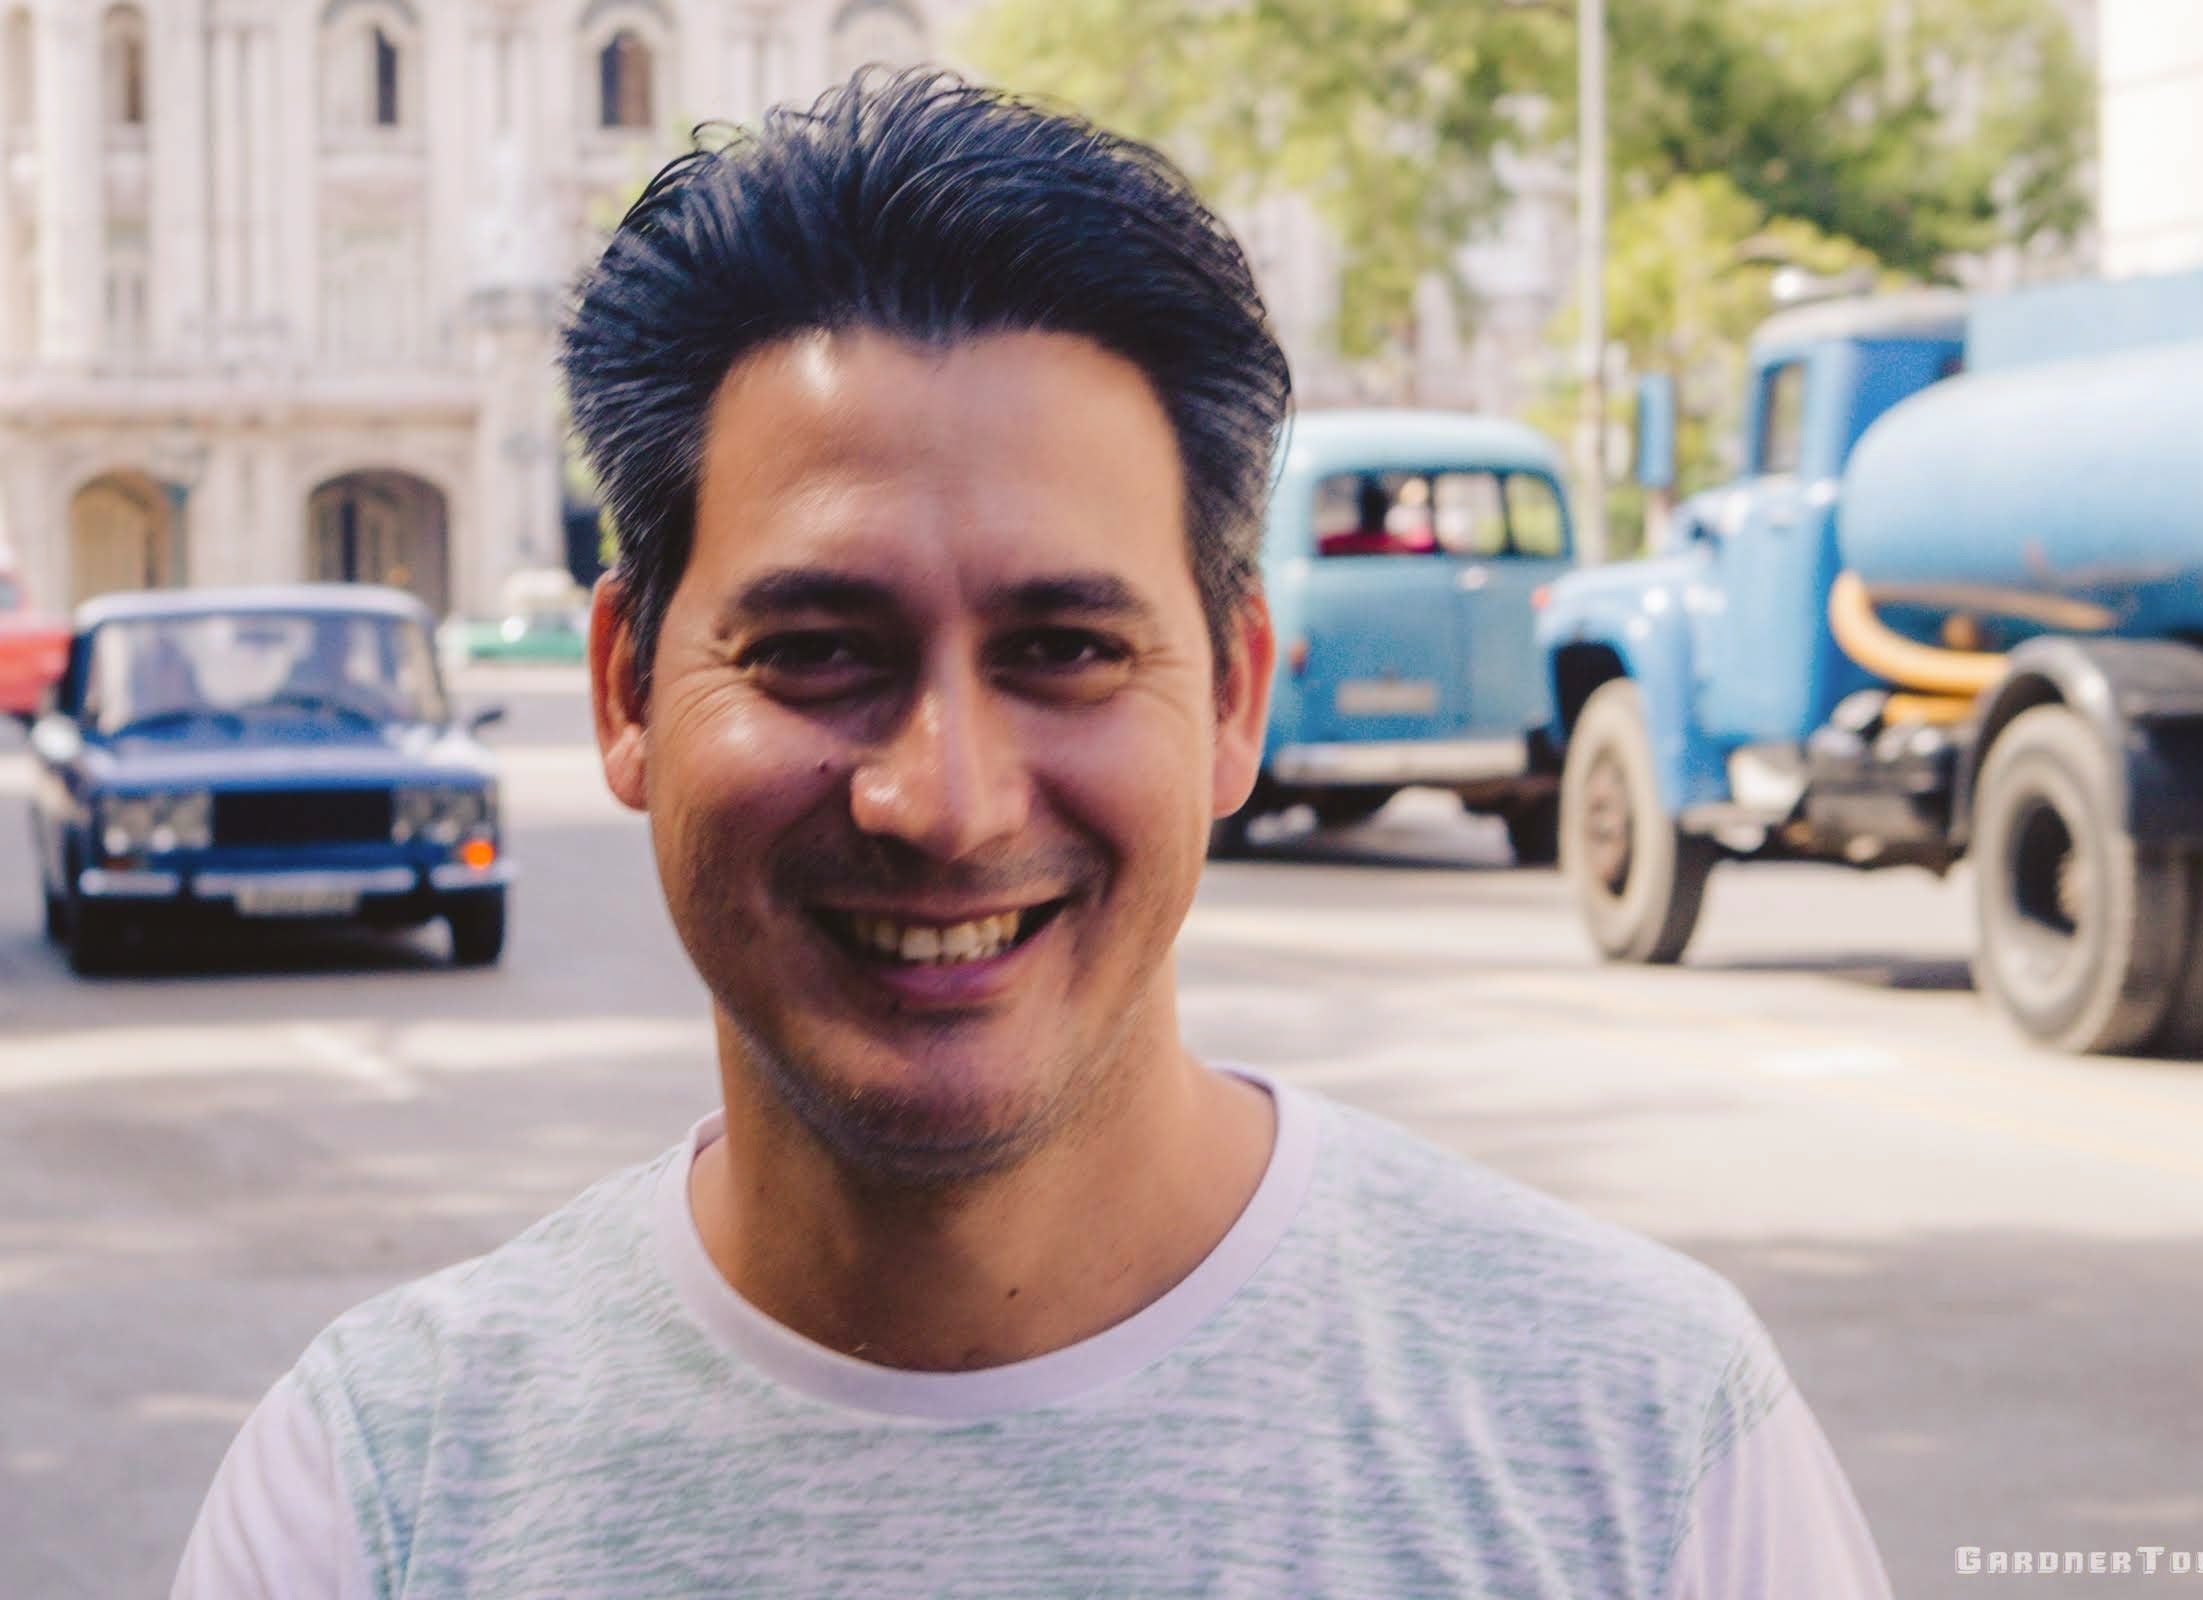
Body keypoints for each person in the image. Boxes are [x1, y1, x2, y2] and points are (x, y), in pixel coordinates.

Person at [174, 71, 1891, 1598]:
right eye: (815, 654)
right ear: (624, 684)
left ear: (1233, 695)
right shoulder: (377, 1497)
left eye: (1065, 651)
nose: (948, 798)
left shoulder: (1642, 1448)